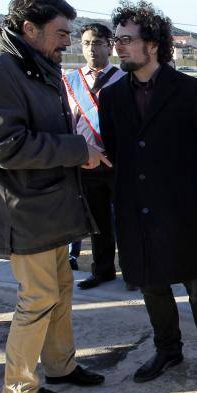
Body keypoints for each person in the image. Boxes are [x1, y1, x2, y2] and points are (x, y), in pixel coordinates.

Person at [0, 0, 107, 393]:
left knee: (60, 290)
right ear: (29, 28)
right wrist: (77, 151)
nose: (68, 40)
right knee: (38, 299)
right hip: (21, 209)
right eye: (61, 32)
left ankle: (61, 366)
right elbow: (4, 146)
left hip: (46, 205)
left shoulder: (29, 65)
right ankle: (19, 388)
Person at [99, 0, 197, 386]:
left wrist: (185, 188)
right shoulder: (112, 96)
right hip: (136, 209)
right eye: (115, 39)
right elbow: (117, 151)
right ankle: (168, 349)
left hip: (181, 207)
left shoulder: (192, 92)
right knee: (152, 285)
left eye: (125, 40)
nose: (117, 46)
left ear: (152, 44)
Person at [63, 23, 127, 290]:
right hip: (87, 162)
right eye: (87, 43)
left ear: (110, 46)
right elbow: (69, 120)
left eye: (99, 43)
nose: (92, 48)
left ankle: (132, 270)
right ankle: (102, 270)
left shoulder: (123, 78)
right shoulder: (71, 79)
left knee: (125, 220)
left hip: (118, 161)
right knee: (97, 222)